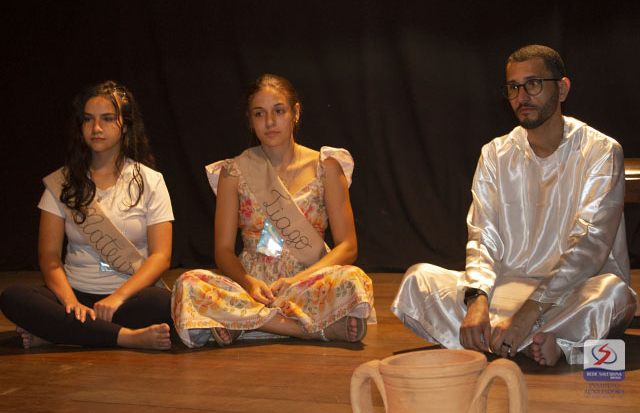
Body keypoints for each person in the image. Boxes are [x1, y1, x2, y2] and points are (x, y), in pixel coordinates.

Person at [391, 45, 637, 366]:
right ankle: (547, 342)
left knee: (613, 294)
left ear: (562, 89)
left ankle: (513, 339)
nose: (522, 96)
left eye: (533, 84)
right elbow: (483, 237)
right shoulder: (495, 153)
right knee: (418, 279)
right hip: (506, 291)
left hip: (569, 294)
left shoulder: (601, 151)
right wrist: (477, 299)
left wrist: (528, 314)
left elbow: (589, 246)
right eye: (513, 87)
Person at [172, 74, 374, 347]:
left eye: (279, 111)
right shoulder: (234, 171)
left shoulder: (326, 167)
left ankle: (243, 322)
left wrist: (298, 280)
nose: (269, 122)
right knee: (188, 283)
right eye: (259, 113)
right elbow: (223, 250)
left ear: (295, 113)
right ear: (250, 119)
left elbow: (348, 246)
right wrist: (248, 284)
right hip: (253, 286)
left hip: (308, 280)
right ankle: (308, 329)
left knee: (353, 279)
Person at [0, 81, 174, 350]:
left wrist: (117, 298)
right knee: (14, 297)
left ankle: (63, 332)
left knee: (164, 303)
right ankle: (125, 337)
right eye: (88, 119)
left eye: (107, 119)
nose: (96, 128)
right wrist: (70, 302)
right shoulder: (62, 182)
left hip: (127, 298)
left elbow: (161, 256)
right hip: (75, 294)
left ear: (125, 125)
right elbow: (49, 257)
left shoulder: (151, 181)